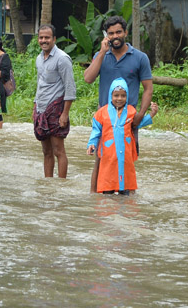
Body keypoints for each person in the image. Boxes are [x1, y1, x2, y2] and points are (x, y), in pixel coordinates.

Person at [83, 15, 154, 150]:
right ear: (106, 36)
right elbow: (88, 79)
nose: (115, 36)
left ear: (125, 33)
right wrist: (102, 52)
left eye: (118, 32)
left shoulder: (140, 58)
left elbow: (148, 89)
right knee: (101, 161)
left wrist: (140, 115)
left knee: (126, 160)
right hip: (104, 117)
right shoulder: (101, 56)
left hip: (129, 118)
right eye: (111, 33)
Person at [87, 78, 159, 195]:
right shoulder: (101, 113)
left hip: (126, 155)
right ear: (111, 95)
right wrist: (91, 144)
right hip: (108, 155)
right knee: (108, 188)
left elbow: (138, 124)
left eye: (123, 96)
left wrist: (152, 114)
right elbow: (96, 131)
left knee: (125, 187)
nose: (119, 99)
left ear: (127, 96)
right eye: (116, 95)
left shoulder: (131, 111)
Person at [33, 24, 77, 178]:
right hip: (41, 109)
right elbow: (40, 83)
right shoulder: (39, 58)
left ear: (54, 39)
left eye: (47, 37)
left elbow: (70, 88)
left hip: (56, 109)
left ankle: (61, 186)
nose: (44, 40)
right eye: (41, 37)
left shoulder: (62, 59)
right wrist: (35, 106)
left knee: (58, 150)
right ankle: (48, 184)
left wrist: (65, 114)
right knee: (46, 151)